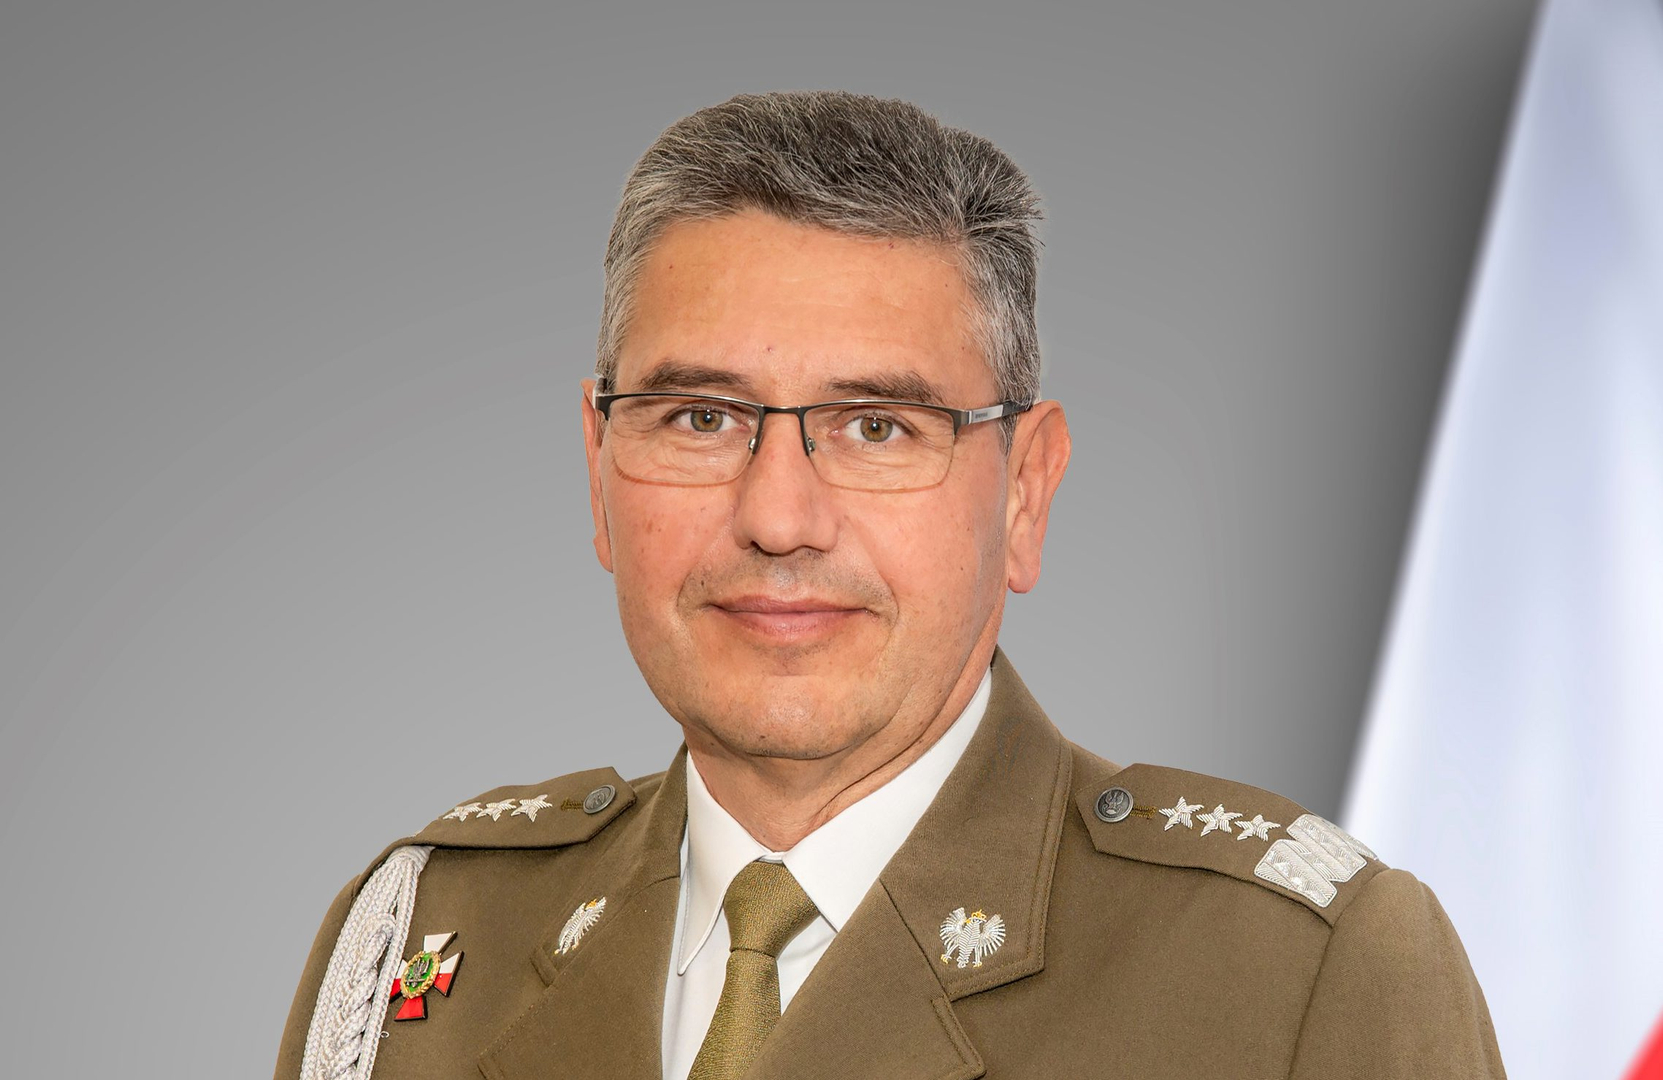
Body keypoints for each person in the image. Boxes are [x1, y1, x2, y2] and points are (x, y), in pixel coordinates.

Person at [274, 90, 1505, 1080]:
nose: (777, 518)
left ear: (1024, 493)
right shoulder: (424, 942)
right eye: (700, 417)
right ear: (599, 472)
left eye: (877, 428)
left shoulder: (1289, 977)